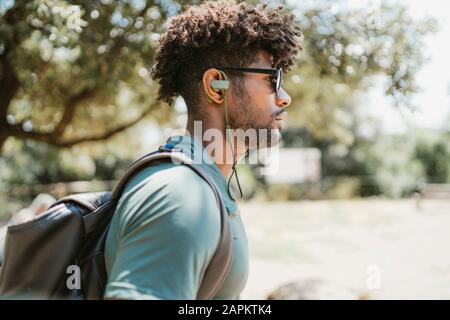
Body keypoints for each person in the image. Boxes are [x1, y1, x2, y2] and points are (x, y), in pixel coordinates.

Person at [103, 0, 301, 300]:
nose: (284, 97)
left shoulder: (203, 182)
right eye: (271, 80)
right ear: (215, 86)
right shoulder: (179, 194)